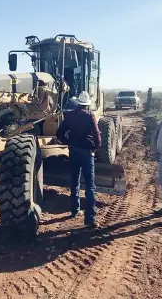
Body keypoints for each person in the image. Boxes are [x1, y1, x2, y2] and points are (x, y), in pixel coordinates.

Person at [56, 91, 101, 228]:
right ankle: (90, 219)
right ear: (87, 105)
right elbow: (97, 135)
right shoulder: (89, 116)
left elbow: (59, 133)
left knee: (74, 182)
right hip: (86, 153)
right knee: (90, 186)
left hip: (73, 151)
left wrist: (67, 141)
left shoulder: (69, 116)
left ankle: (75, 210)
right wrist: (95, 147)